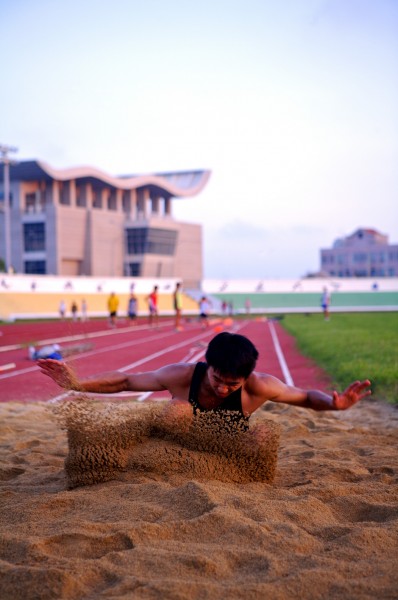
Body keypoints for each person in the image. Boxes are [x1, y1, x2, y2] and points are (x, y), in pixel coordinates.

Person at [38, 331, 371, 433]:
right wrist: (77, 384)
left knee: (263, 437)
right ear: (206, 365)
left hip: (225, 445)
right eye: (217, 379)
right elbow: (126, 380)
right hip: (179, 442)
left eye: (232, 385)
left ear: (247, 377)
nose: (223, 388)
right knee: (173, 413)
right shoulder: (183, 375)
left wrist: (335, 405)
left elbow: (304, 397)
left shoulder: (260, 385)